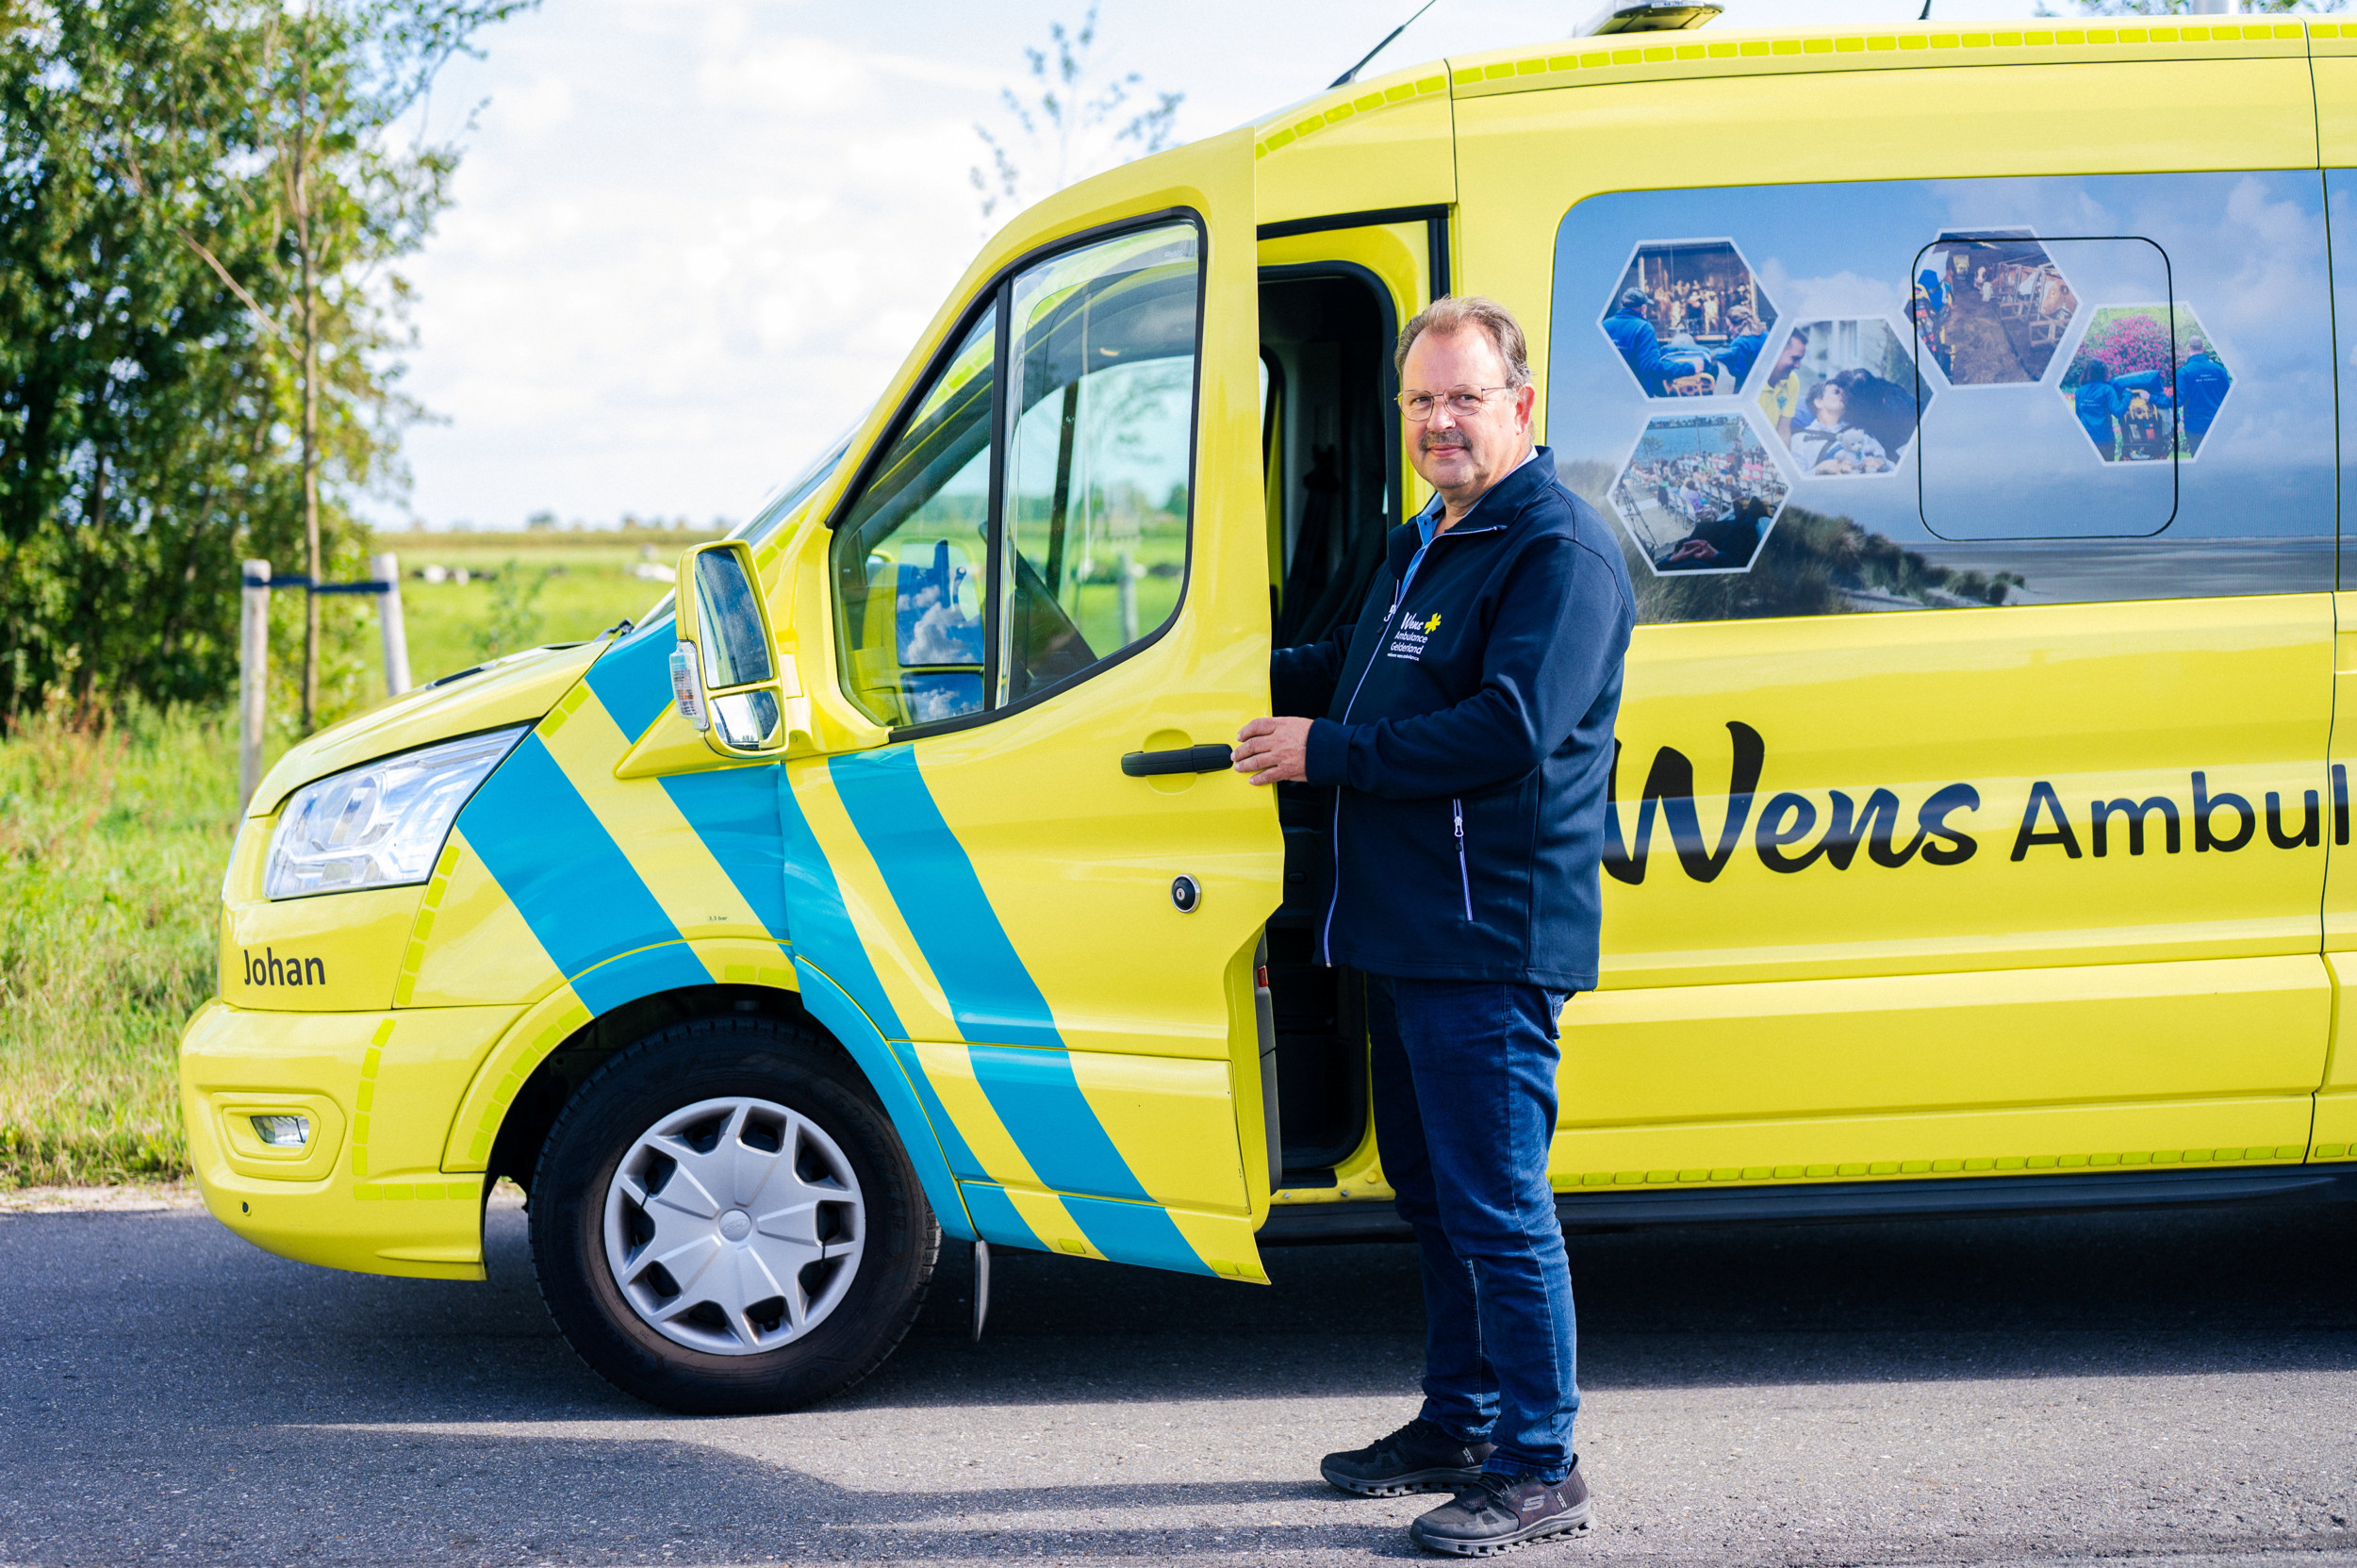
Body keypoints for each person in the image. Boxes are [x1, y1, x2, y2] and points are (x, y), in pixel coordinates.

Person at [1233, 294, 1634, 1559]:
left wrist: (1328, 751)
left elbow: (1512, 726)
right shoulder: (1432, 537)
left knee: (1499, 1203)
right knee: (1436, 1198)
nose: (1440, 420)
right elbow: (1353, 663)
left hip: (1486, 933)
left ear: (1522, 406)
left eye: (1465, 396)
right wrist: (1208, 665)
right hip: (1409, 933)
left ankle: (1540, 1462)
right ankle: (1460, 1421)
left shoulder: (1555, 551)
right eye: (1421, 400)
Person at [1788, 380, 1890, 474]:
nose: (1843, 396)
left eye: (1844, 393)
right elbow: (1794, 480)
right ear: (1819, 402)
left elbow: (1892, 467)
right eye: (1836, 392)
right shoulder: (1799, 440)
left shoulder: (1859, 433)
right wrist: (1819, 469)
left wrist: (1879, 462)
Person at [1604, 287, 1674, 396]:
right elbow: (1651, 367)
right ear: (1643, 308)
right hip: (1636, 397)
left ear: (1623, 305)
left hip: (1609, 393)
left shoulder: (1605, 325)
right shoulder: (1644, 328)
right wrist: (1691, 367)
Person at [2175, 338, 2232, 447]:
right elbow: (2229, 398)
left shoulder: (2184, 372)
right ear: (2203, 349)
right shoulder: (2219, 370)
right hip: (2217, 424)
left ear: (2188, 349)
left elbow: (2178, 400)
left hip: (2195, 427)